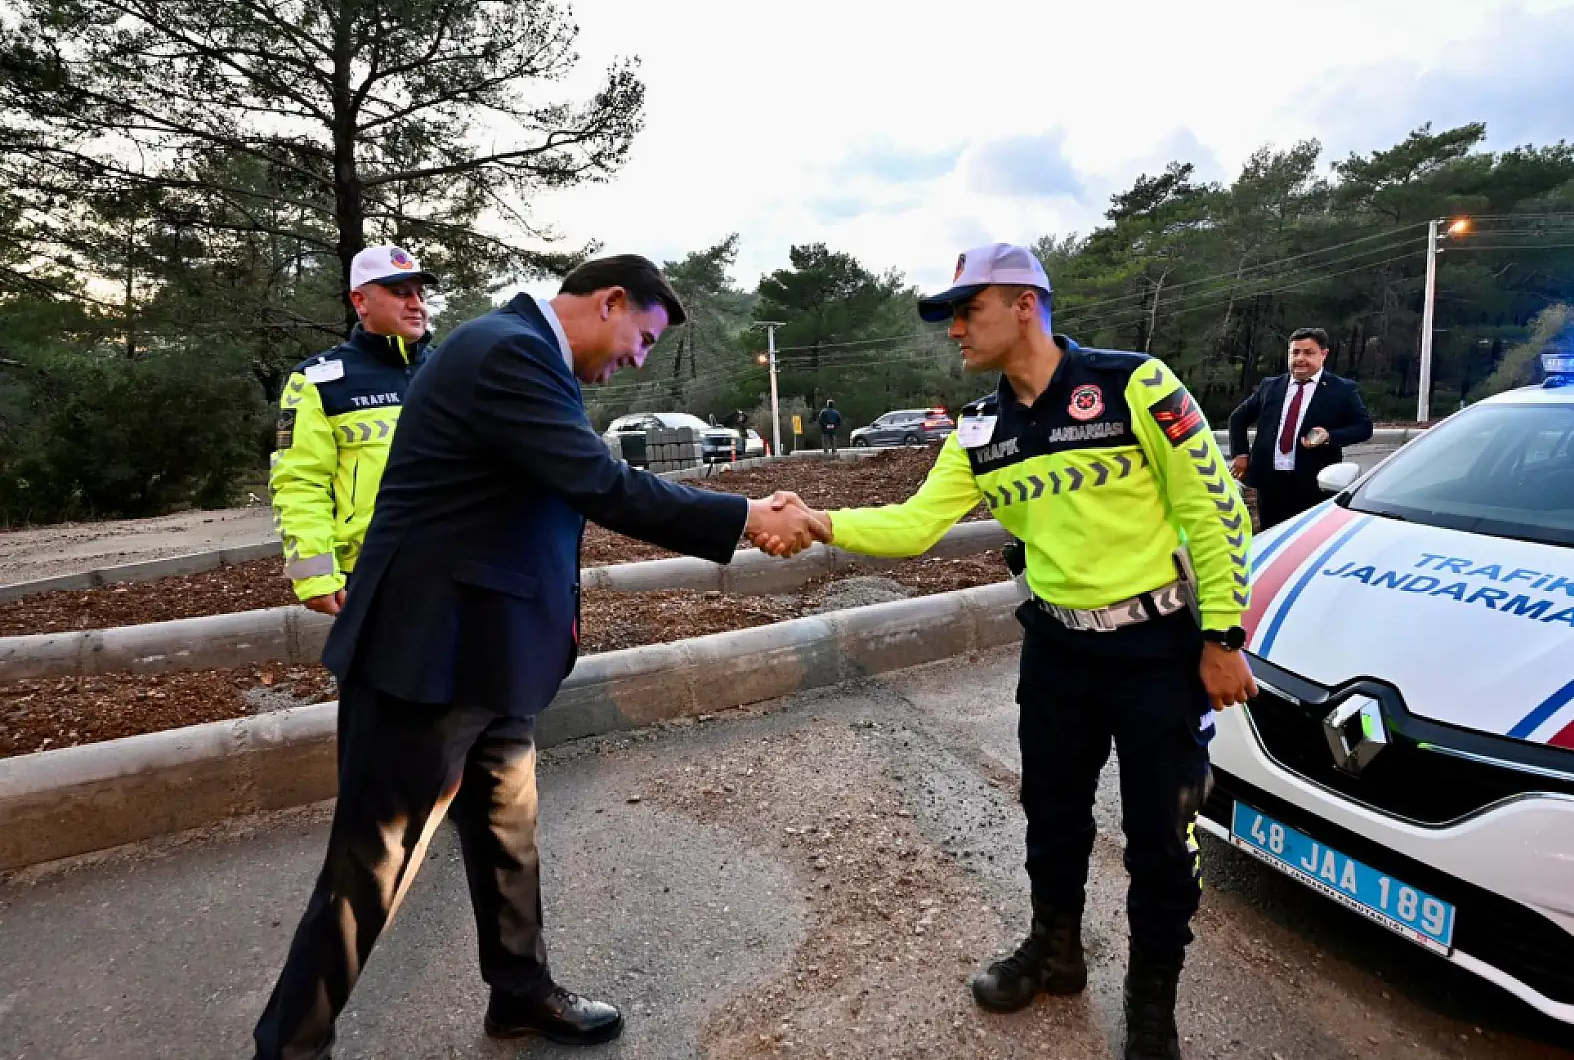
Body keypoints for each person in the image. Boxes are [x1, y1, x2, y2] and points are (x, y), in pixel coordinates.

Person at [253, 254, 816, 1060]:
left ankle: (518, 994)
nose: (638, 359)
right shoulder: (506, 350)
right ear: (611, 301)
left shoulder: (521, 354)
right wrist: (744, 514)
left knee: (507, 835)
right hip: (426, 658)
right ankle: (289, 1047)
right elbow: (601, 483)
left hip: (488, 656)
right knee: (368, 866)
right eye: (644, 338)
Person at [759, 243, 1256, 1060]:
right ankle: (1057, 953)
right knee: (1052, 818)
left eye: (967, 309)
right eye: (949, 315)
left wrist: (1222, 635)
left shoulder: (1136, 384)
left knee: (1161, 840)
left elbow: (1214, 511)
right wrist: (820, 521)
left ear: (1025, 303)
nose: (954, 328)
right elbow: (917, 524)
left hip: (1159, 652)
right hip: (1058, 650)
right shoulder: (980, 427)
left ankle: (1151, 1001)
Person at [270, 245, 434, 616]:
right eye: (400, 292)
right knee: (387, 675)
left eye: (420, 293)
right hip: (374, 573)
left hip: (463, 568)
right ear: (360, 301)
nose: (416, 304)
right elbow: (299, 482)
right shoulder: (318, 381)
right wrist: (315, 577)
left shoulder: (451, 368)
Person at [1226, 327, 1373, 530]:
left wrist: (1329, 436)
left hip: (1314, 484)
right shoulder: (1271, 386)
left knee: (1307, 540)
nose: (1300, 358)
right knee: (1270, 537)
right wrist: (1241, 454)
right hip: (1270, 484)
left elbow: (1364, 427)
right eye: (1295, 352)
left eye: (1308, 352)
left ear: (1324, 354)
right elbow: (1238, 418)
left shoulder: (1341, 389)